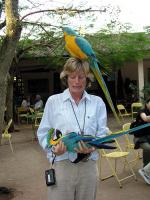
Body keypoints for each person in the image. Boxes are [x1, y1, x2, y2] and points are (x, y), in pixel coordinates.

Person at [37, 57, 109, 200]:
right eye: (73, 77)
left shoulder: (97, 103)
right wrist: (53, 148)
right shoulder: (53, 102)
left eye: (81, 77)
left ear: (87, 79)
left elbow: (102, 133)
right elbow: (44, 132)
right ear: (66, 78)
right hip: (62, 164)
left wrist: (93, 147)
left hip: (88, 166)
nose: (77, 81)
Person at [133, 98, 150, 166]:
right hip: (140, 138)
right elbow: (145, 118)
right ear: (146, 103)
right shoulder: (142, 111)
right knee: (148, 149)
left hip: (149, 137)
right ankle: (145, 168)